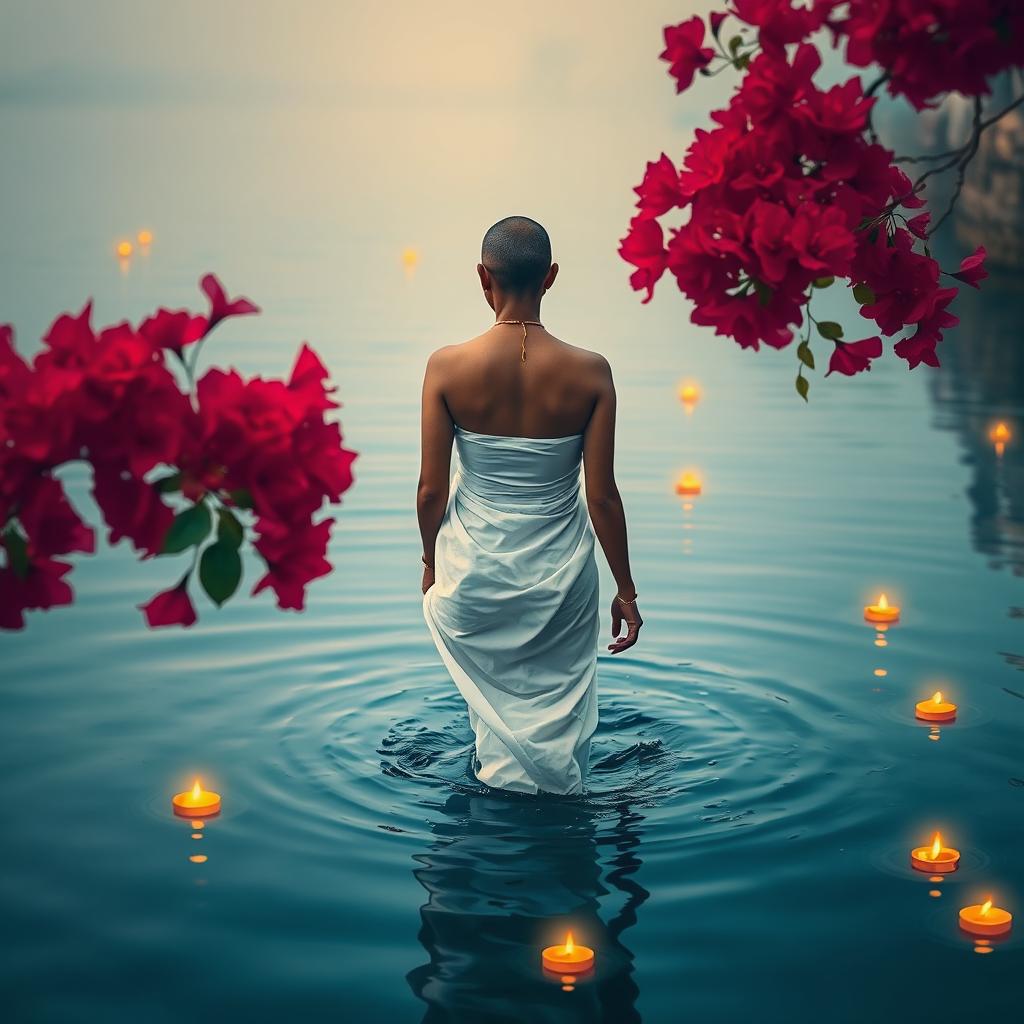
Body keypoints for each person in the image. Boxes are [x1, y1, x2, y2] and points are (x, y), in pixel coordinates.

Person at [418, 215, 642, 796]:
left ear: (481, 278)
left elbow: (430, 492)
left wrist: (428, 560)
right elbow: (603, 497)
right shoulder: (592, 373)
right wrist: (626, 589)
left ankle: (497, 813)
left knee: (491, 718)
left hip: (474, 572)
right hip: (561, 579)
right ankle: (557, 811)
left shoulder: (446, 367)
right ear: (552, 277)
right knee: (559, 716)